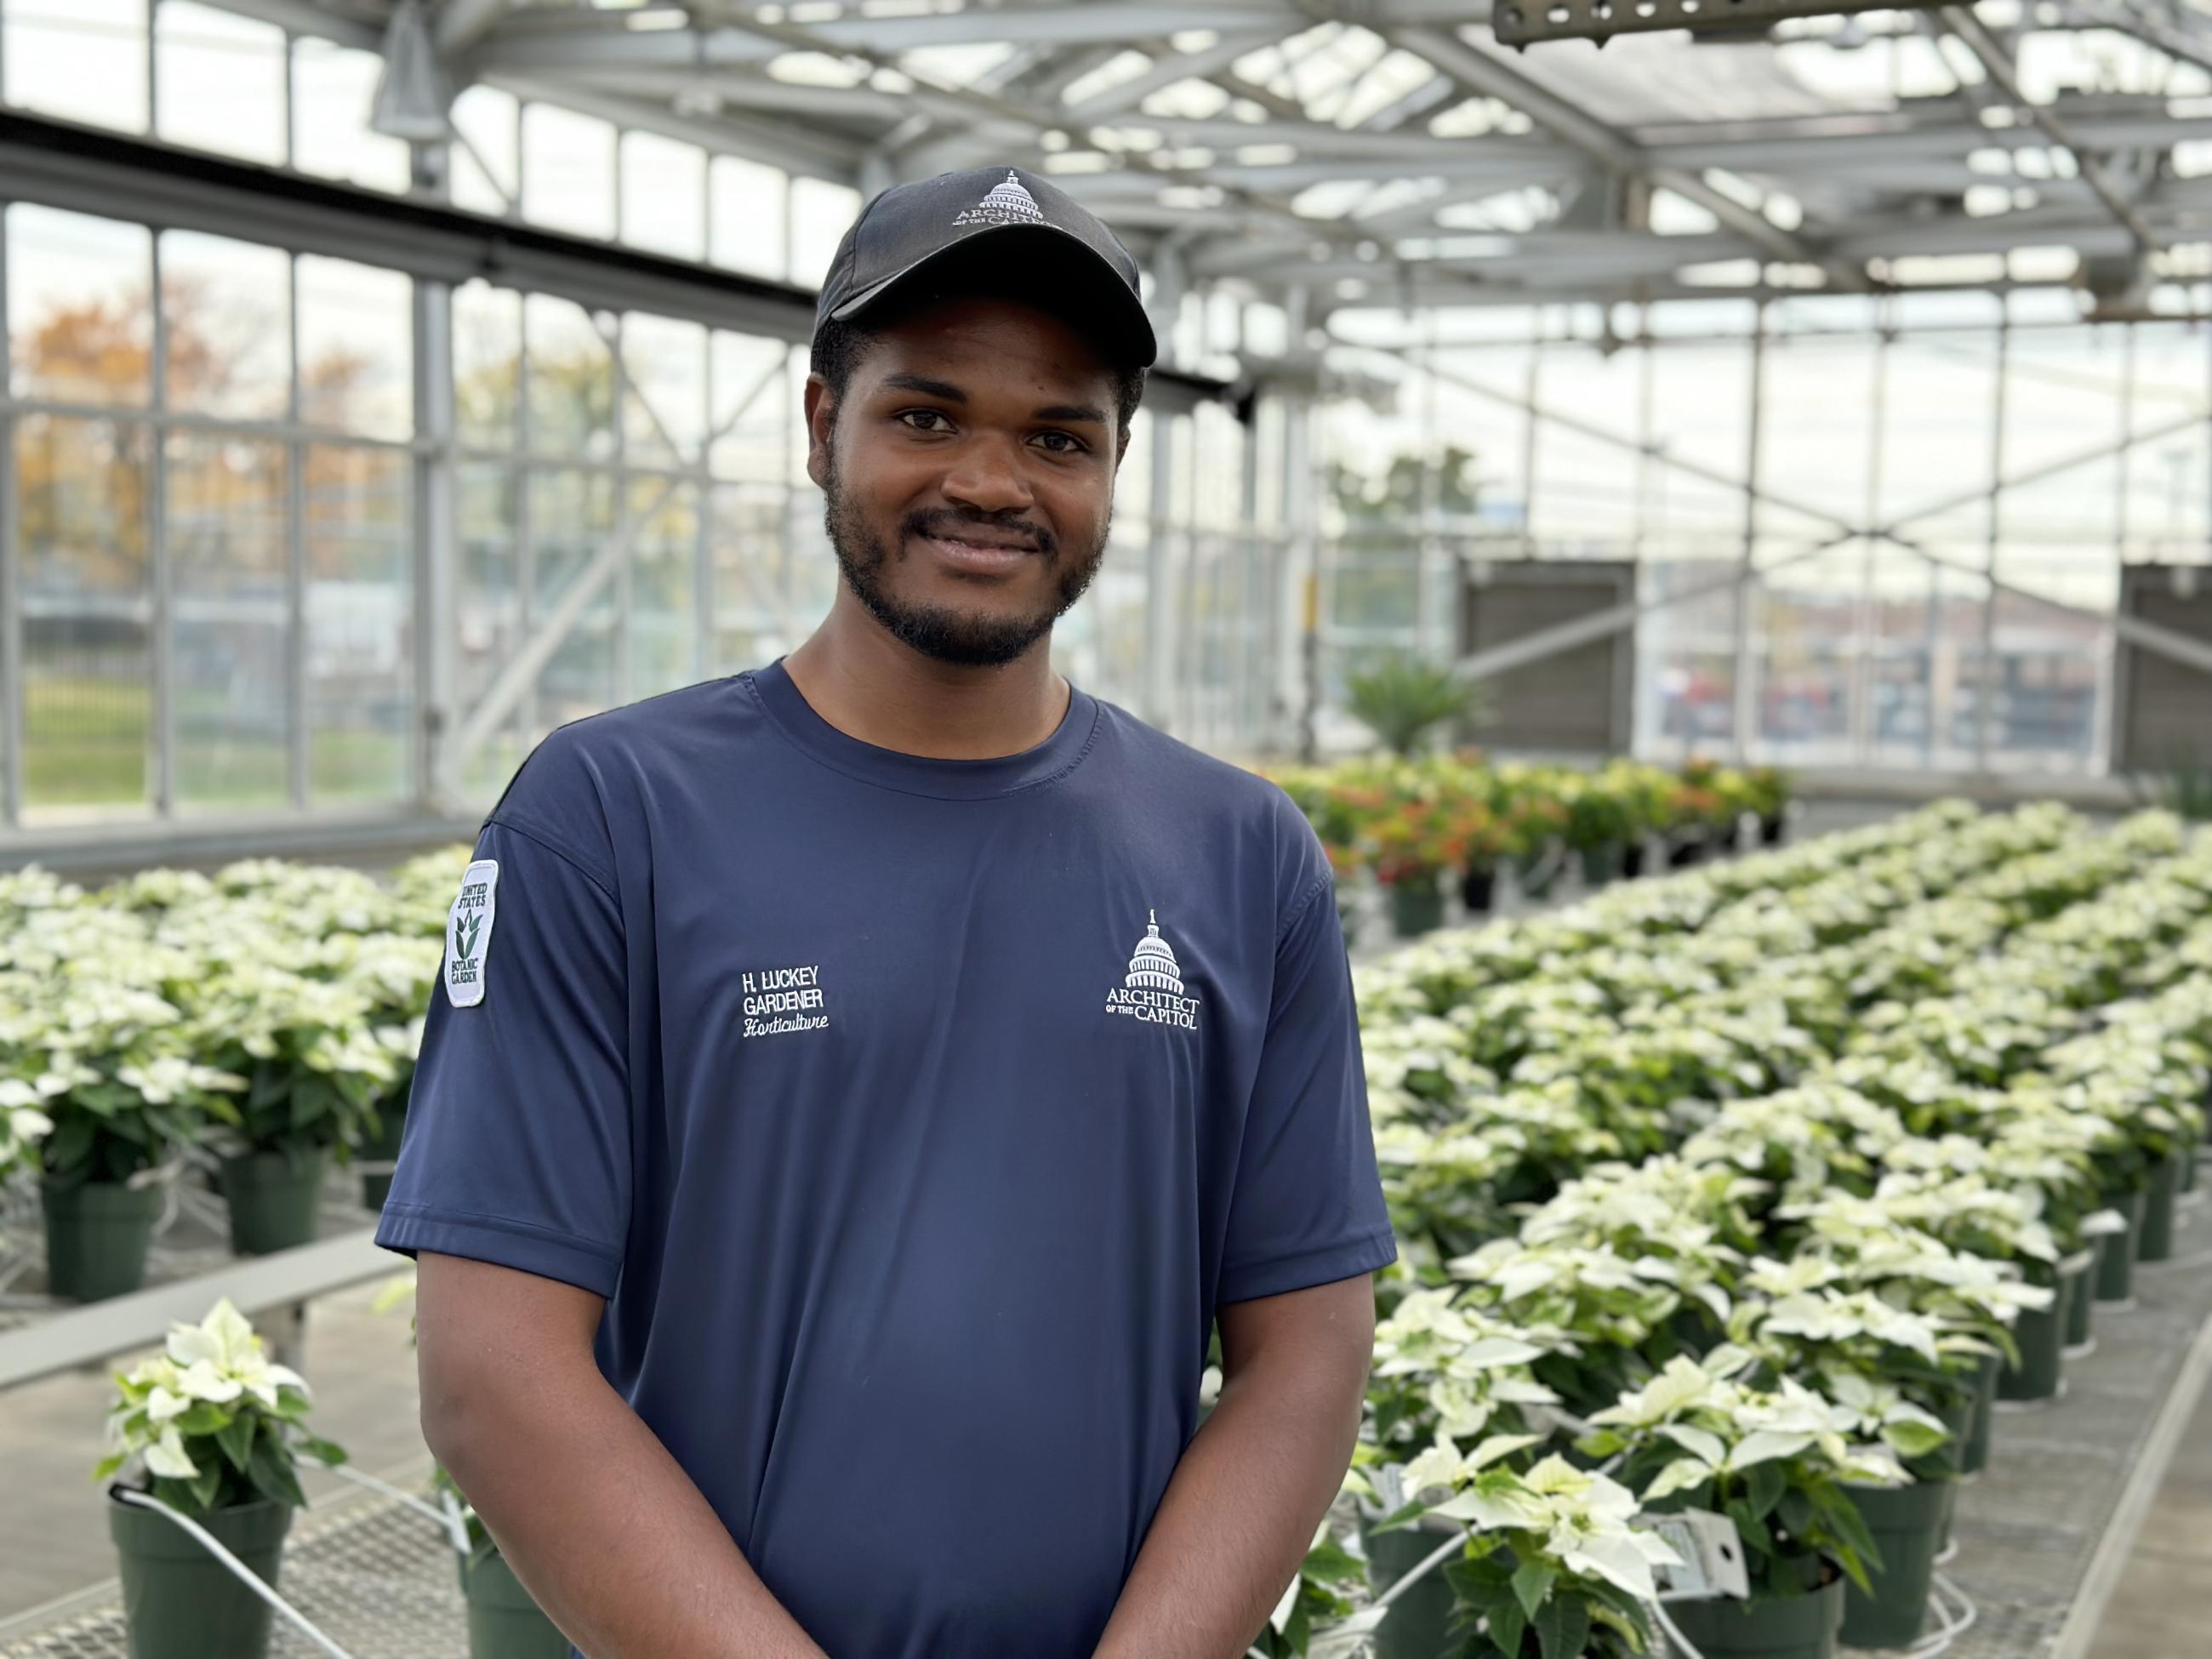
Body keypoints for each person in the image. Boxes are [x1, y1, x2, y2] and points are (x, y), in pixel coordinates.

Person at [378, 163, 1395, 1659]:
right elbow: (494, 1373)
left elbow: (1305, 1356)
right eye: (925, 415)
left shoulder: (1241, 853)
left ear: (1115, 469)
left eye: (1058, 435)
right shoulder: (609, 817)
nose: (991, 481)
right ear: (818, 428)